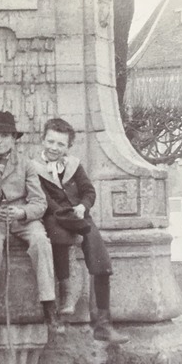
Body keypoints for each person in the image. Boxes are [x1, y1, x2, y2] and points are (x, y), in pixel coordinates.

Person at [0, 109, 61, 341]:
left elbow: (40, 203)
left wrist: (22, 212)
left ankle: (50, 307)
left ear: (13, 139)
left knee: (40, 240)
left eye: (5, 136)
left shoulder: (26, 165)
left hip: (22, 220)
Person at [34, 117, 127, 344]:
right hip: (54, 216)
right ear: (42, 140)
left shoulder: (74, 166)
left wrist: (83, 206)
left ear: (68, 147)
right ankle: (66, 297)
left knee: (101, 260)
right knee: (60, 238)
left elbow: (89, 191)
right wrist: (64, 215)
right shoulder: (34, 168)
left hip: (79, 216)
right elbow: (43, 200)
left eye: (60, 144)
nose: (54, 148)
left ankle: (103, 324)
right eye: (50, 141)